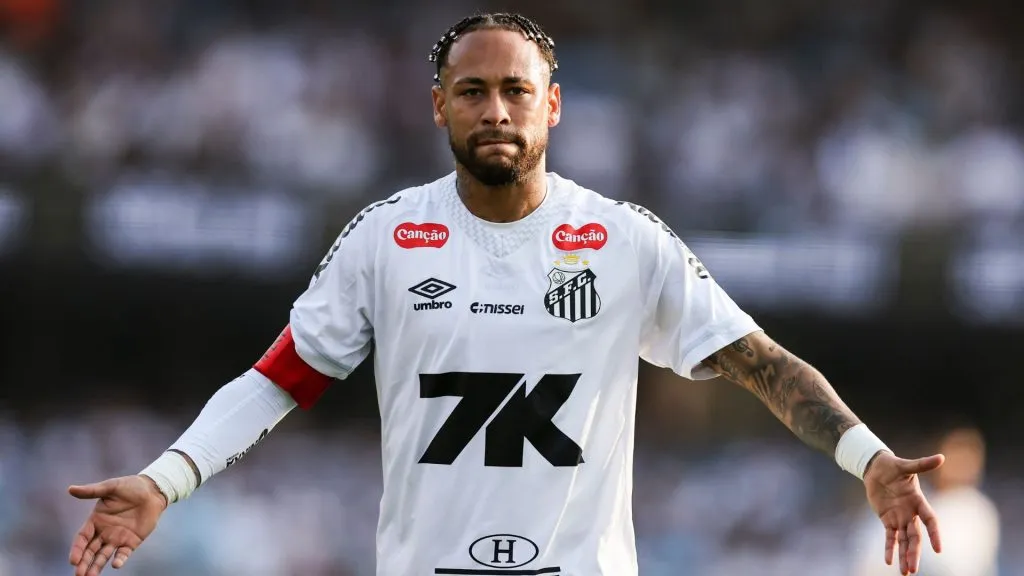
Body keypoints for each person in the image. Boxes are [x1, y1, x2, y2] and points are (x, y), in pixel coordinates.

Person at [67, 12, 944, 576]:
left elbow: (758, 362)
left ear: (553, 107)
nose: (496, 110)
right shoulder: (384, 237)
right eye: (473, 91)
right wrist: (166, 478)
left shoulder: (624, 239)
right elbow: (279, 379)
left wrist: (868, 458)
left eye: (516, 91)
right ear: (437, 107)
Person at [851, 425, 999, 576]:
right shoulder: (903, 499)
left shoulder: (980, 511)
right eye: (955, 454)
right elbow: (874, 561)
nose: (961, 465)